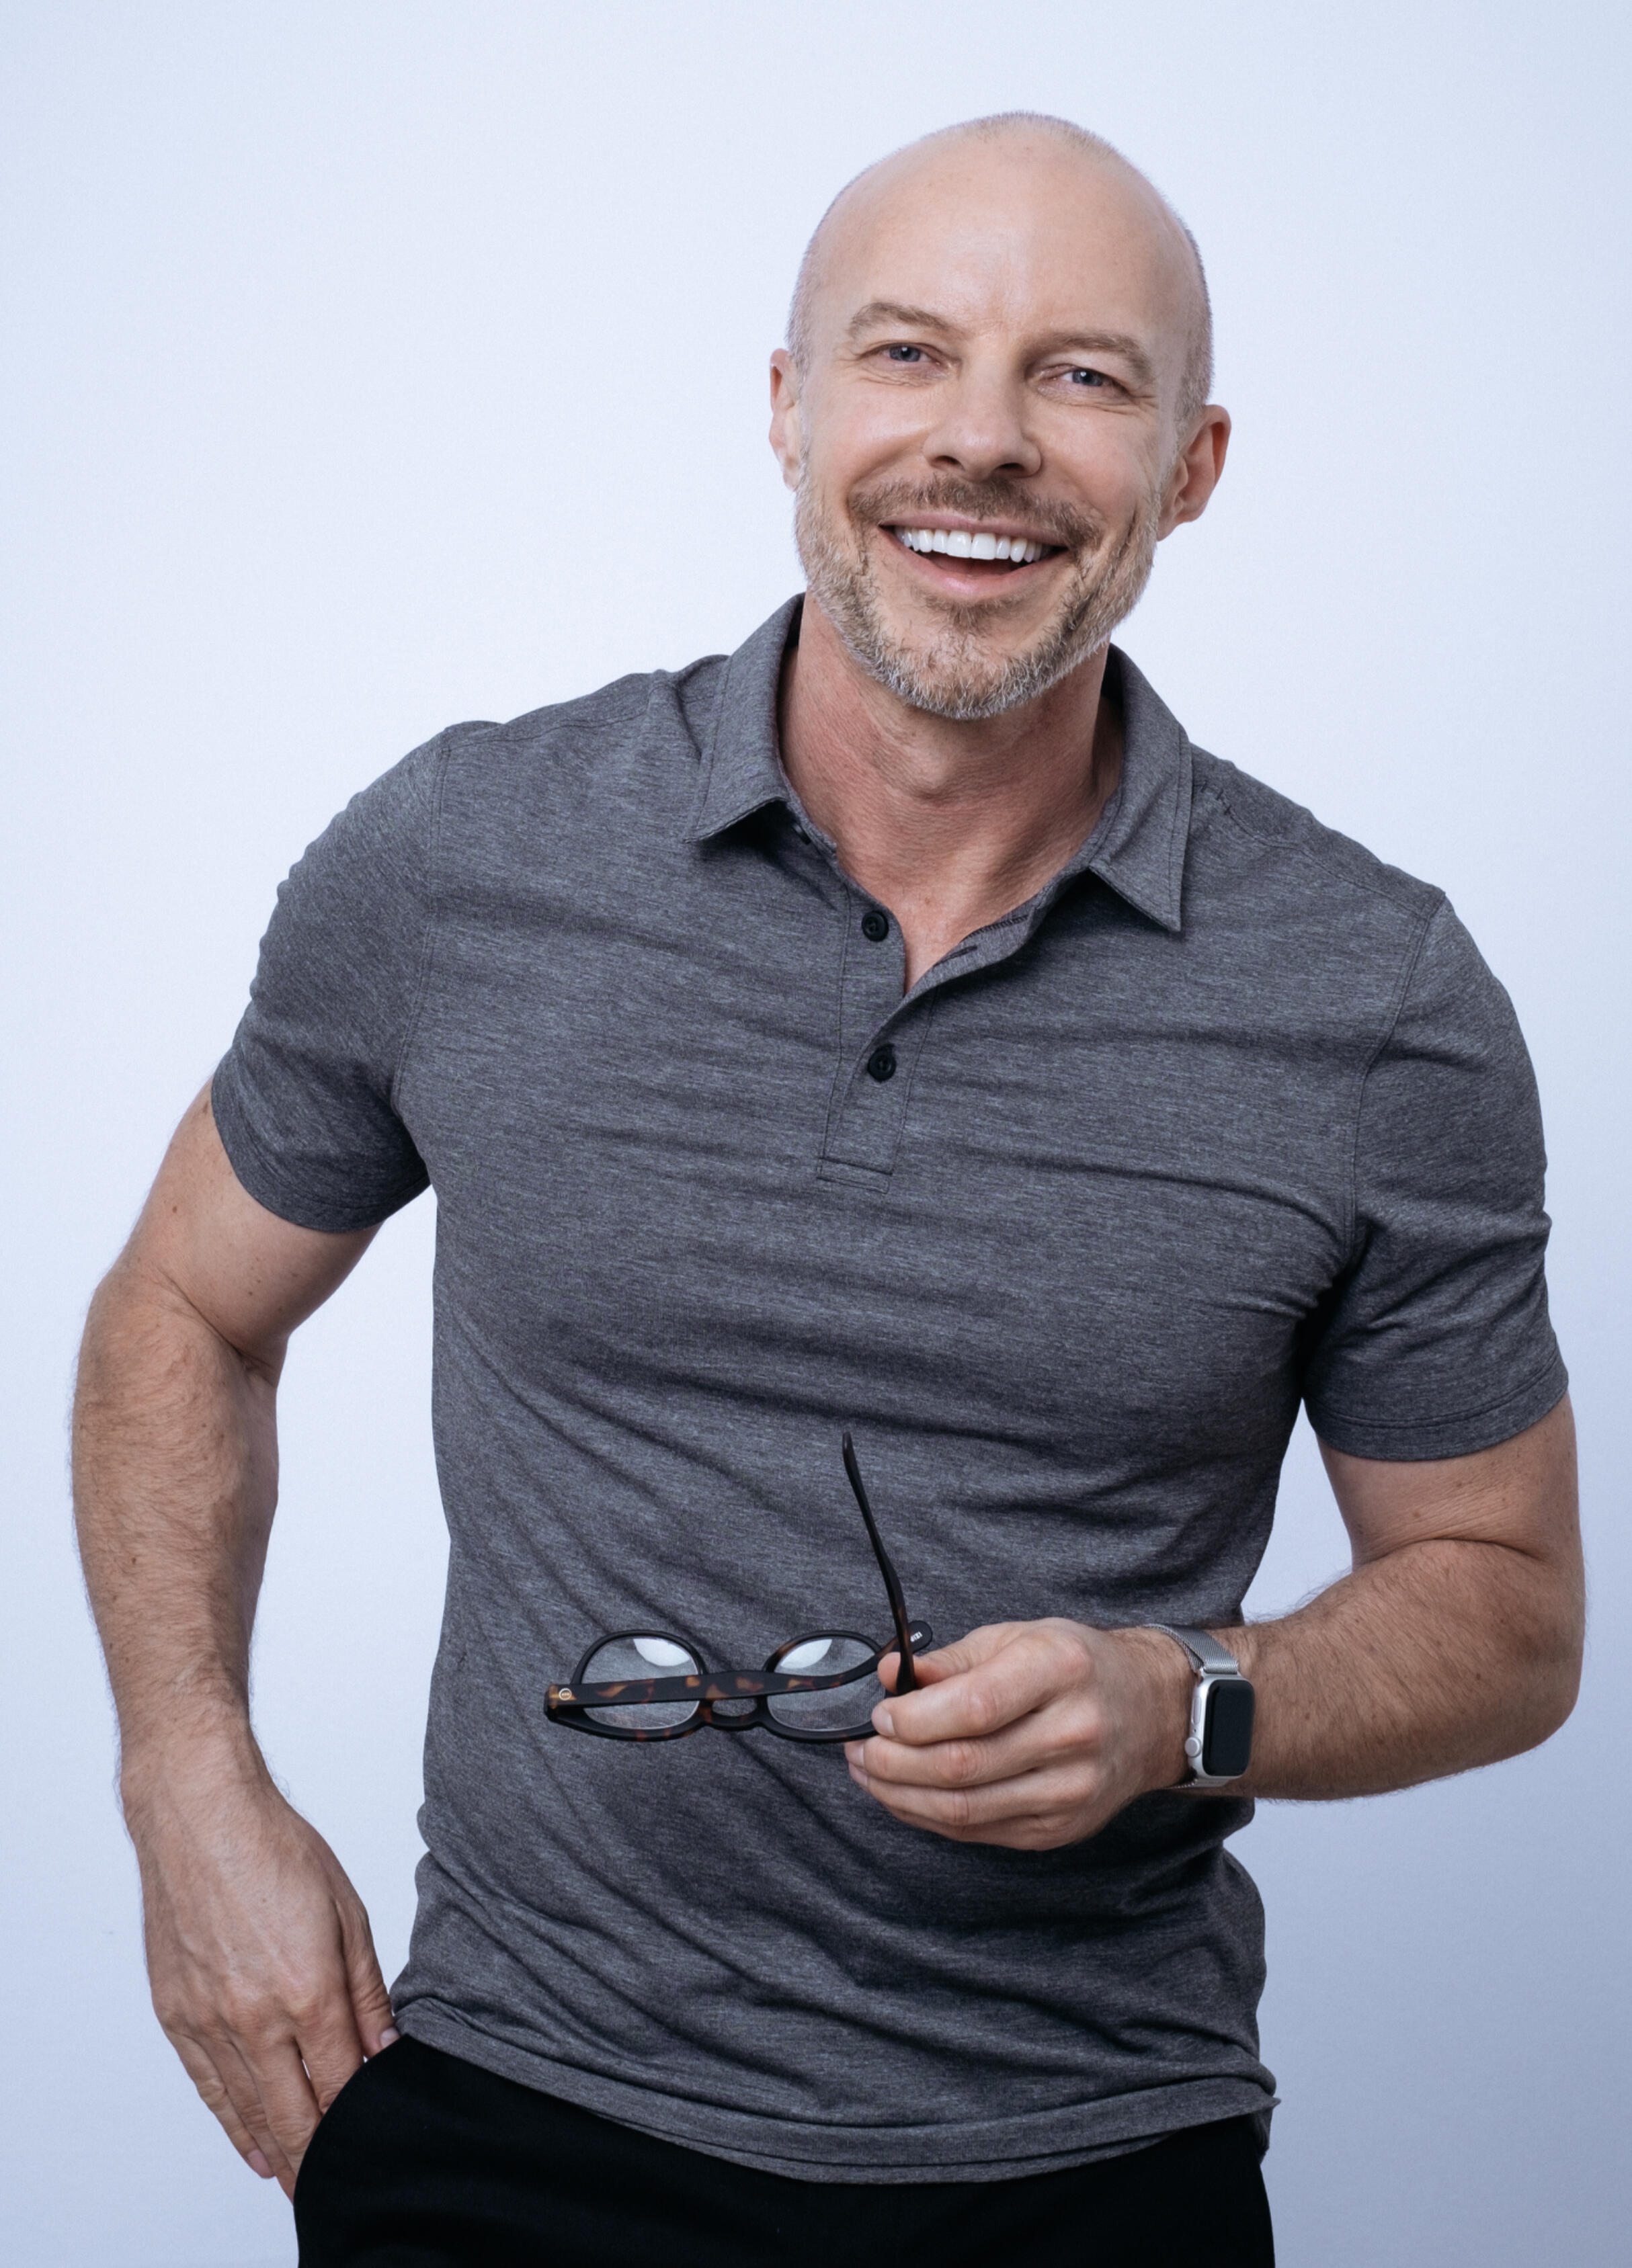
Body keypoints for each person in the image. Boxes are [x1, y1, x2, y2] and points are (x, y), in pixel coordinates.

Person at [73, 113, 1582, 2267]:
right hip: (505, 2115)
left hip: (1085, 2167)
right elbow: (182, 1312)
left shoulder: (1376, 995)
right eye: (904, 355)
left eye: (1080, 376)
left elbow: (1506, 1606)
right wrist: (186, 1792)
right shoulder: (461, 860)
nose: (981, 442)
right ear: (788, 407)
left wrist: (1190, 1706)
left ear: (1194, 465)